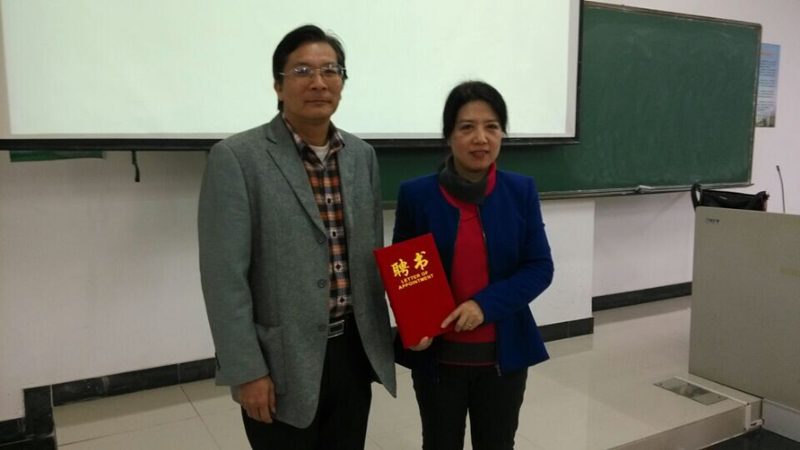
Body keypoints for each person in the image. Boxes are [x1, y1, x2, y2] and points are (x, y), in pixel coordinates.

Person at [198, 24, 396, 450]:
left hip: (353, 352)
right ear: (278, 85)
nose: (319, 82)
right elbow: (224, 280)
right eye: (303, 70)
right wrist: (247, 370)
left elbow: (370, 258)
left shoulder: (362, 156)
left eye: (331, 70)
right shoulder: (237, 158)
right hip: (280, 361)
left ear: (342, 81)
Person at [393, 81, 554, 450]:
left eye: (492, 127)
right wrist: (413, 321)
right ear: (449, 135)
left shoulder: (520, 191)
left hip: (503, 356)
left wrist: (484, 305)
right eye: (467, 127)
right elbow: (404, 271)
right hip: (438, 360)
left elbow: (539, 267)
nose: (481, 138)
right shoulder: (417, 195)